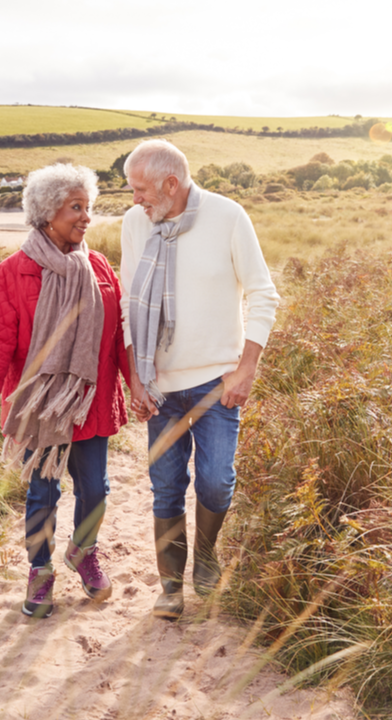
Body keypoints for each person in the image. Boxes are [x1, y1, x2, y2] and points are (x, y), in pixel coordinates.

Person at [0, 163, 133, 619]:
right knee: (43, 496)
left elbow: (117, 335)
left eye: (88, 207)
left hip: (90, 405)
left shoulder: (98, 267)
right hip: (39, 409)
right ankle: (40, 572)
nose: (86, 218)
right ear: (46, 212)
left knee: (95, 489)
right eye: (76, 208)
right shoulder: (13, 273)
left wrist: (137, 387)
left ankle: (83, 552)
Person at [120, 139, 280, 620]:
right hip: (159, 385)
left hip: (217, 382)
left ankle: (206, 558)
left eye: (141, 189)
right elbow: (129, 306)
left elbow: (263, 295)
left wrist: (245, 368)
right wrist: (135, 378)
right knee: (166, 485)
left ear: (172, 184)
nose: (135, 200)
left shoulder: (228, 216)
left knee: (214, 483)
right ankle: (170, 585)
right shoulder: (135, 225)